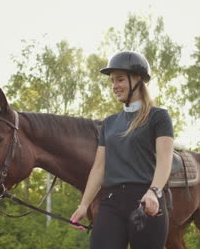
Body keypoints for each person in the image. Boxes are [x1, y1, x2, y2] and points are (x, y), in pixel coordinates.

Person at [70, 51, 174, 249]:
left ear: (138, 79)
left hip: (145, 202)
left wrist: (154, 191)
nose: (114, 86)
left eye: (119, 79)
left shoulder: (159, 117)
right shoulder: (109, 123)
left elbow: (164, 161)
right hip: (111, 202)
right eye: (112, 81)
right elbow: (99, 168)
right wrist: (84, 205)